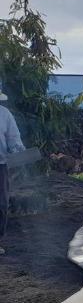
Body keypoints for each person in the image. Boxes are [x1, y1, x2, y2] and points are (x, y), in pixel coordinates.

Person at [0, 87, 26, 238]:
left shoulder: (4, 114)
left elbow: (13, 138)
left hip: (1, 166)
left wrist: (18, 151)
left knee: (1, 204)